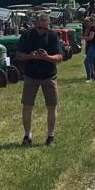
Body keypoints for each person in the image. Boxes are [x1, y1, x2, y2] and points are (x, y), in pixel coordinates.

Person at [15, 13, 63, 147]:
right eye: (39, 28)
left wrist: (47, 57)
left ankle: (50, 136)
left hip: (49, 76)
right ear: (35, 25)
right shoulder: (27, 35)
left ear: (48, 26)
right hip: (31, 76)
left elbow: (60, 57)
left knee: (52, 106)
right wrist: (30, 56)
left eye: (45, 28)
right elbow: (18, 55)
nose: (42, 30)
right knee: (27, 106)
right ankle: (27, 136)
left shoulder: (53, 36)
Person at [83, 15, 95, 82]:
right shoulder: (94, 27)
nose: (86, 23)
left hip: (94, 47)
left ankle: (89, 78)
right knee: (94, 62)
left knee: (86, 62)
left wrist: (82, 38)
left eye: (87, 22)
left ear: (91, 22)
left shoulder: (93, 28)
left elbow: (90, 38)